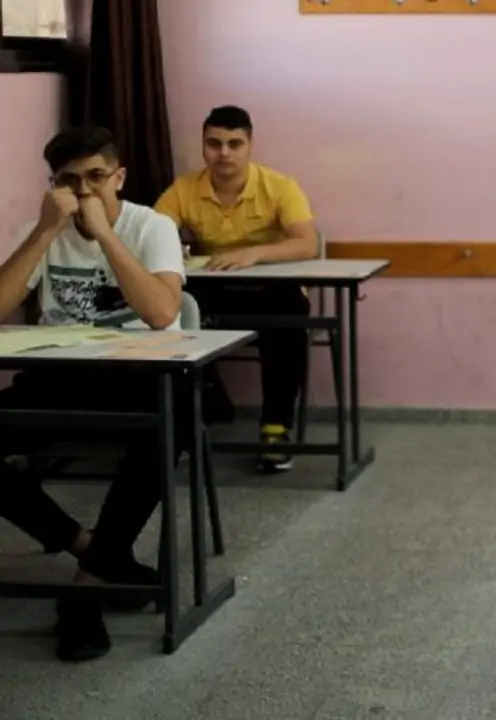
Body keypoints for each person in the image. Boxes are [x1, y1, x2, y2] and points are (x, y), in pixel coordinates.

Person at [0, 126, 189, 662]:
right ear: (53, 184)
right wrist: (44, 232)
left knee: (167, 427)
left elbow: (161, 313)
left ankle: (84, 594)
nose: (83, 192)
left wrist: (106, 235)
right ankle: (96, 552)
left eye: (96, 178)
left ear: (119, 177)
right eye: (69, 180)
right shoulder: (40, 229)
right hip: (56, 376)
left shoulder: (152, 226)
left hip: (141, 376)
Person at [155, 105, 319, 473]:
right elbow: (152, 232)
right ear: (203, 146)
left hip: (270, 291)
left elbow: (307, 243)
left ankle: (276, 429)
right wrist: (173, 248)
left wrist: (254, 254)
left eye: (234, 144)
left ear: (250, 145)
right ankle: (186, 425)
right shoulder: (184, 189)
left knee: (291, 317)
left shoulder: (280, 186)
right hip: (214, 289)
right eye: (214, 144)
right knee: (172, 312)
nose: (224, 153)